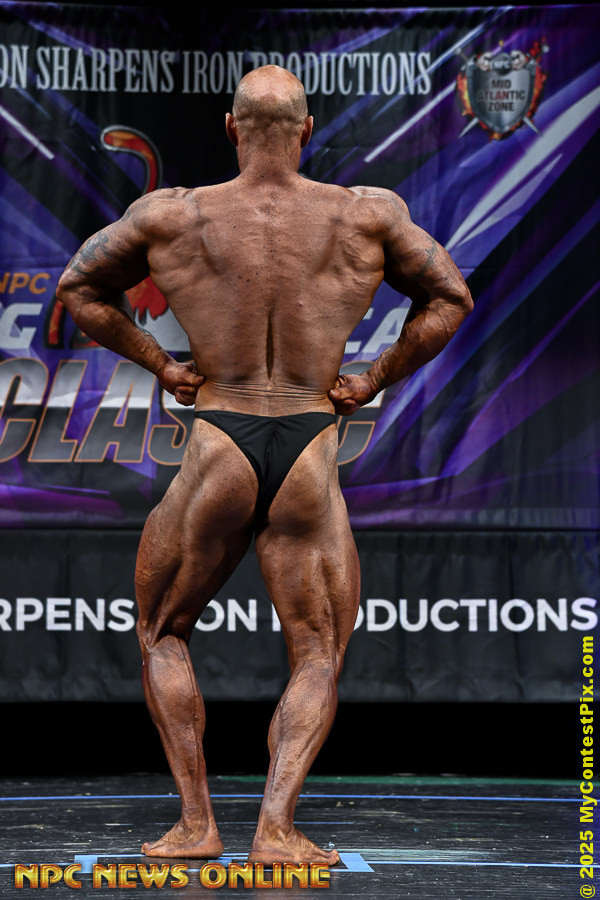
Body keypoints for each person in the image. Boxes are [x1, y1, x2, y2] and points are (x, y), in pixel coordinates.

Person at [56, 64, 473, 866]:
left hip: (220, 438)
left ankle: (195, 825)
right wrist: (373, 379)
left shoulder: (173, 214)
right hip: (310, 445)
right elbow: (450, 297)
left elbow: (80, 287)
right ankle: (276, 830)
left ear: (231, 128)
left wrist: (160, 364)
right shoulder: (366, 214)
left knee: (162, 631)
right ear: (308, 130)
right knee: (317, 652)